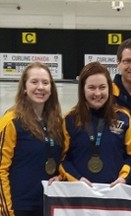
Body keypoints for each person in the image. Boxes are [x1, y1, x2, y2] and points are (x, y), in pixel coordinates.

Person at [0, 62, 66, 216]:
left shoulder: (57, 122)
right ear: (24, 87)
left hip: (50, 206)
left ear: (51, 88)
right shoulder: (11, 121)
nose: (40, 87)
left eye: (45, 82)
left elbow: (64, 157)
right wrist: (6, 211)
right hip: (20, 207)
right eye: (34, 82)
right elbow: (1, 170)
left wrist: (62, 176)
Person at [60, 61, 131, 187]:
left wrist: (124, 178)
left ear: (109, 89)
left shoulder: (123, 117)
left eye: (102, 87)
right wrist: (77, 180)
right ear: (82, 89)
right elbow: (63, 159)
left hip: (114, 195)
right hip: (80, 196)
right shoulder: (70, 120)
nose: (98, 93)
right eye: (91, 88)